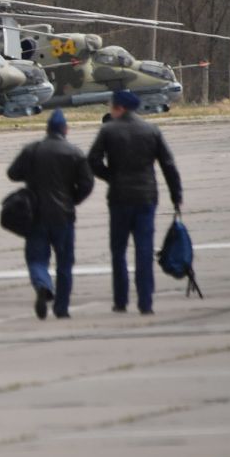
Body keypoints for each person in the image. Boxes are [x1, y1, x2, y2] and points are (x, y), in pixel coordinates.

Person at [87, 89, 184, 315]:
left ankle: (120, 301)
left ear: (120, 107)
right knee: (144, 250)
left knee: (118, 251)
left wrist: (110, 176)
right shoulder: (150, 130)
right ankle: (145, 302)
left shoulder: (108, 130)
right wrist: (176, 194)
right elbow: (168, 165)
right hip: (146, 197)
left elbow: (93, 160)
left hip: (119, 198)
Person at [8, 109, 94, 320]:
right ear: (65, 129)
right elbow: (87, 183)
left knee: (37, 259)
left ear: (47, 129)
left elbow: (13, 173)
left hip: (36, 215)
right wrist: (72, 199)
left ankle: (42, 285)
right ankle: (61, 309)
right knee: (65, 263)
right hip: (64, 216)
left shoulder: (33, 150)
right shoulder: (74, 152)